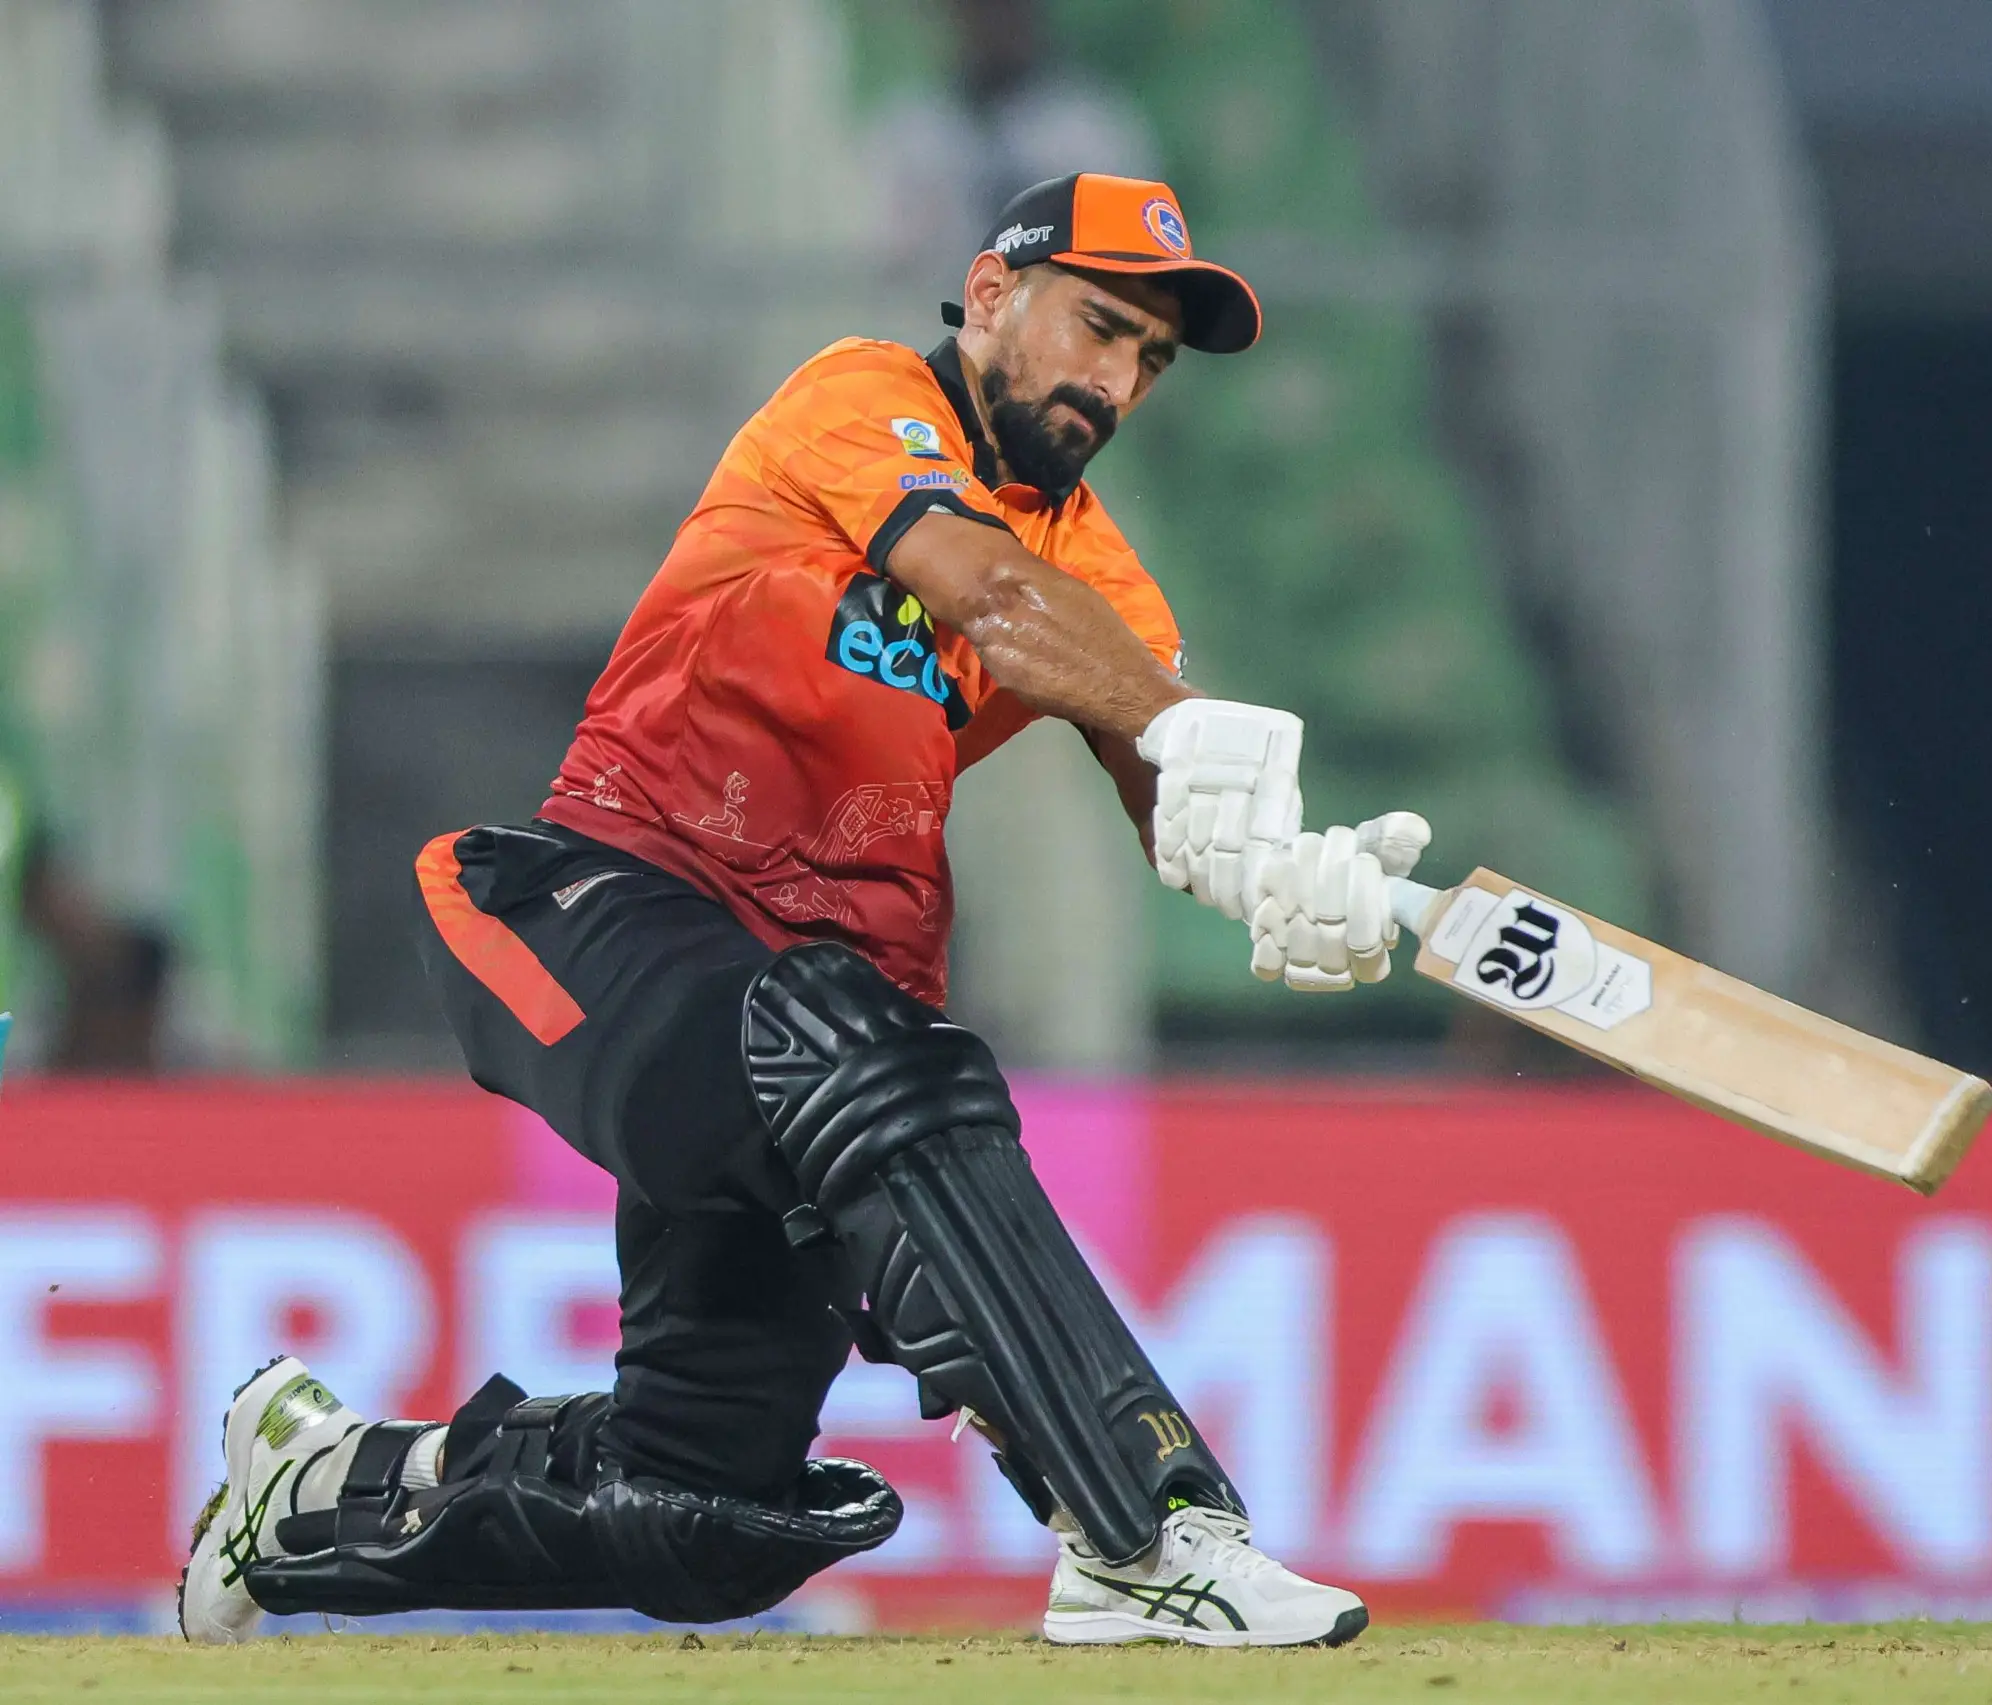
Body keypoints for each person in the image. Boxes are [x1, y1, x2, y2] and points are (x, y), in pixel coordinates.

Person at [177, 173, 1428, 1649]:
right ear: (988, 294)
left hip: (804, 1042)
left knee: (700, 1512)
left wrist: (1280, 866)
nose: (1117, 380)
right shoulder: (865, 399)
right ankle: (1144, 1534)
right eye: (1098, 326)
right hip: (599, 912)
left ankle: (312, 1496)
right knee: (863, 1043)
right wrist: (1184, 724)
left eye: (1149, 358)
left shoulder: (1096, 569)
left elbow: (1169, 781)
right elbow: (985, 592)